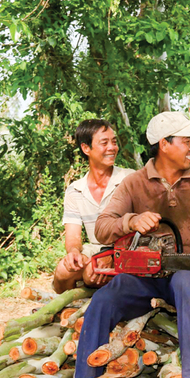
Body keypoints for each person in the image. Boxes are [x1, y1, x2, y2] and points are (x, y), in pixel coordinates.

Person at [57, 112, 190, 378]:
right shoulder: (134, 183)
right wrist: (131, 220)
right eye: (186, 141)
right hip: (146, 275)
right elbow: (102, 227)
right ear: (164, 145)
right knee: (104, 300)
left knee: (184, 280)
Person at [53, 119, 134, 294]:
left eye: (114, 142)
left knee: (91, 274)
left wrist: (111, 256)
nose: (112, 147)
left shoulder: (130, 180)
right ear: (86, 148)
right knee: (63, 270)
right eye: (104, 143)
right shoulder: (75, 190)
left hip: (127, 252)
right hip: (95, 251)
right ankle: (66, 311)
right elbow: (73, 237)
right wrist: (74, 253)